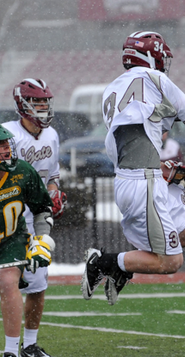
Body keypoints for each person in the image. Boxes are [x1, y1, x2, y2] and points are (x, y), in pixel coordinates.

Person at [81, 30, 185, 305]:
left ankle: (122, 265)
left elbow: (132, 145)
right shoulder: (155, 78)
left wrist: (168, 171)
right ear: (151, 56)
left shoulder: (112, 89)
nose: (165, 64)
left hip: (135, 177)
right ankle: (106, 263)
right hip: (144, 183)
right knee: (171, 262)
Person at [3, 78, 66, 357]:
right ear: (22, 105)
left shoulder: (52, 135)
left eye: (45, 102)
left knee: (37, 285)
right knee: (8, 284)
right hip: (10, 219)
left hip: (36, 218)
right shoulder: (9, 135)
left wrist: (54, 194)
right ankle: (12, 347)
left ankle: (28, 345)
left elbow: (52, 175)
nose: (42, 107)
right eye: (37, 102)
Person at [0, 124, 55, 357]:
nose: (6, 150)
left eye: (6, 145)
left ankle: (12, 351)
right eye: (0, 146)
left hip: (12, 239)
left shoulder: (21, 171)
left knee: (8, 280)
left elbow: (43, 208)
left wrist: (41, 240)